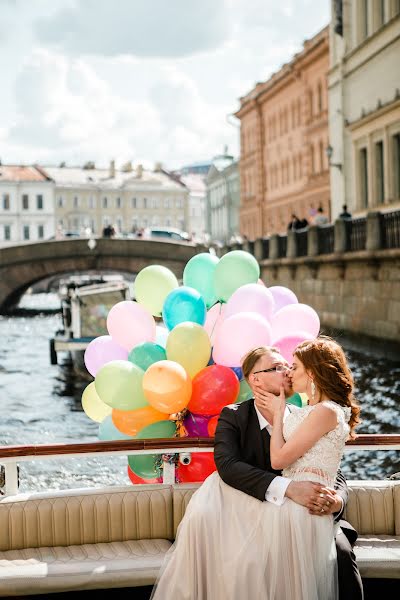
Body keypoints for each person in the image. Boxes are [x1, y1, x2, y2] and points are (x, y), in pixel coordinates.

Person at [151, 338, 363, 600]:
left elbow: (330, 466)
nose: (286, 371)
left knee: (341, 553)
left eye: (289, 366)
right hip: (252, 509)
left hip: (309, 511)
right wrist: (288, 489)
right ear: (255, 380)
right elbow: (228, 466)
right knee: (243, 558)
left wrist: (337, 502)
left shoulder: (305, 413)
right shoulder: (234, 415)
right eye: (276, 368)